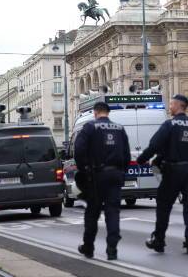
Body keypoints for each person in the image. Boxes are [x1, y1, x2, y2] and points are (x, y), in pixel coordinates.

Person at [137, 94, 188, 254]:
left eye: (172, 104)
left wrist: (141, 159)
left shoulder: (170, 124)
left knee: (164, 207)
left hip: (172, 171)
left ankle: (159, 240)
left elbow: (154, 145)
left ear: (179, 105)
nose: (170, 107)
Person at [74, 102, 131, 260]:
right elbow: (126, 155)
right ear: (107, 113)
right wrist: (121, 172)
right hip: (116, 175)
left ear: (95, 113)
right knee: (113, 212)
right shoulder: (119, 129)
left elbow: (78, 150)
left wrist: (84, 169)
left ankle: (88, 247)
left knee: (92, 213)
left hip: (96, 176)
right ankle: (112, 248)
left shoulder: (90, 127)